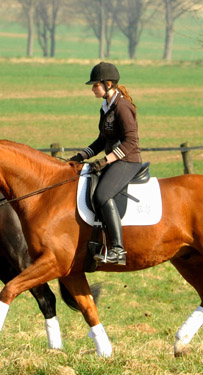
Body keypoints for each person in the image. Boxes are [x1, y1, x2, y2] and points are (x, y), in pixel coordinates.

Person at [69, 62, 142, 265]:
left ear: (108, 84)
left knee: (102, 194)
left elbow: (131, 142)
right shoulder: (107, 107)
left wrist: (106, 160)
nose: (93, 88)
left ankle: (118, 249)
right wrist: (81, 156)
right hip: (115, 159)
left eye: (95, 85)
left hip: (128, 160)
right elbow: (103, 140)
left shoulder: (123, 107)